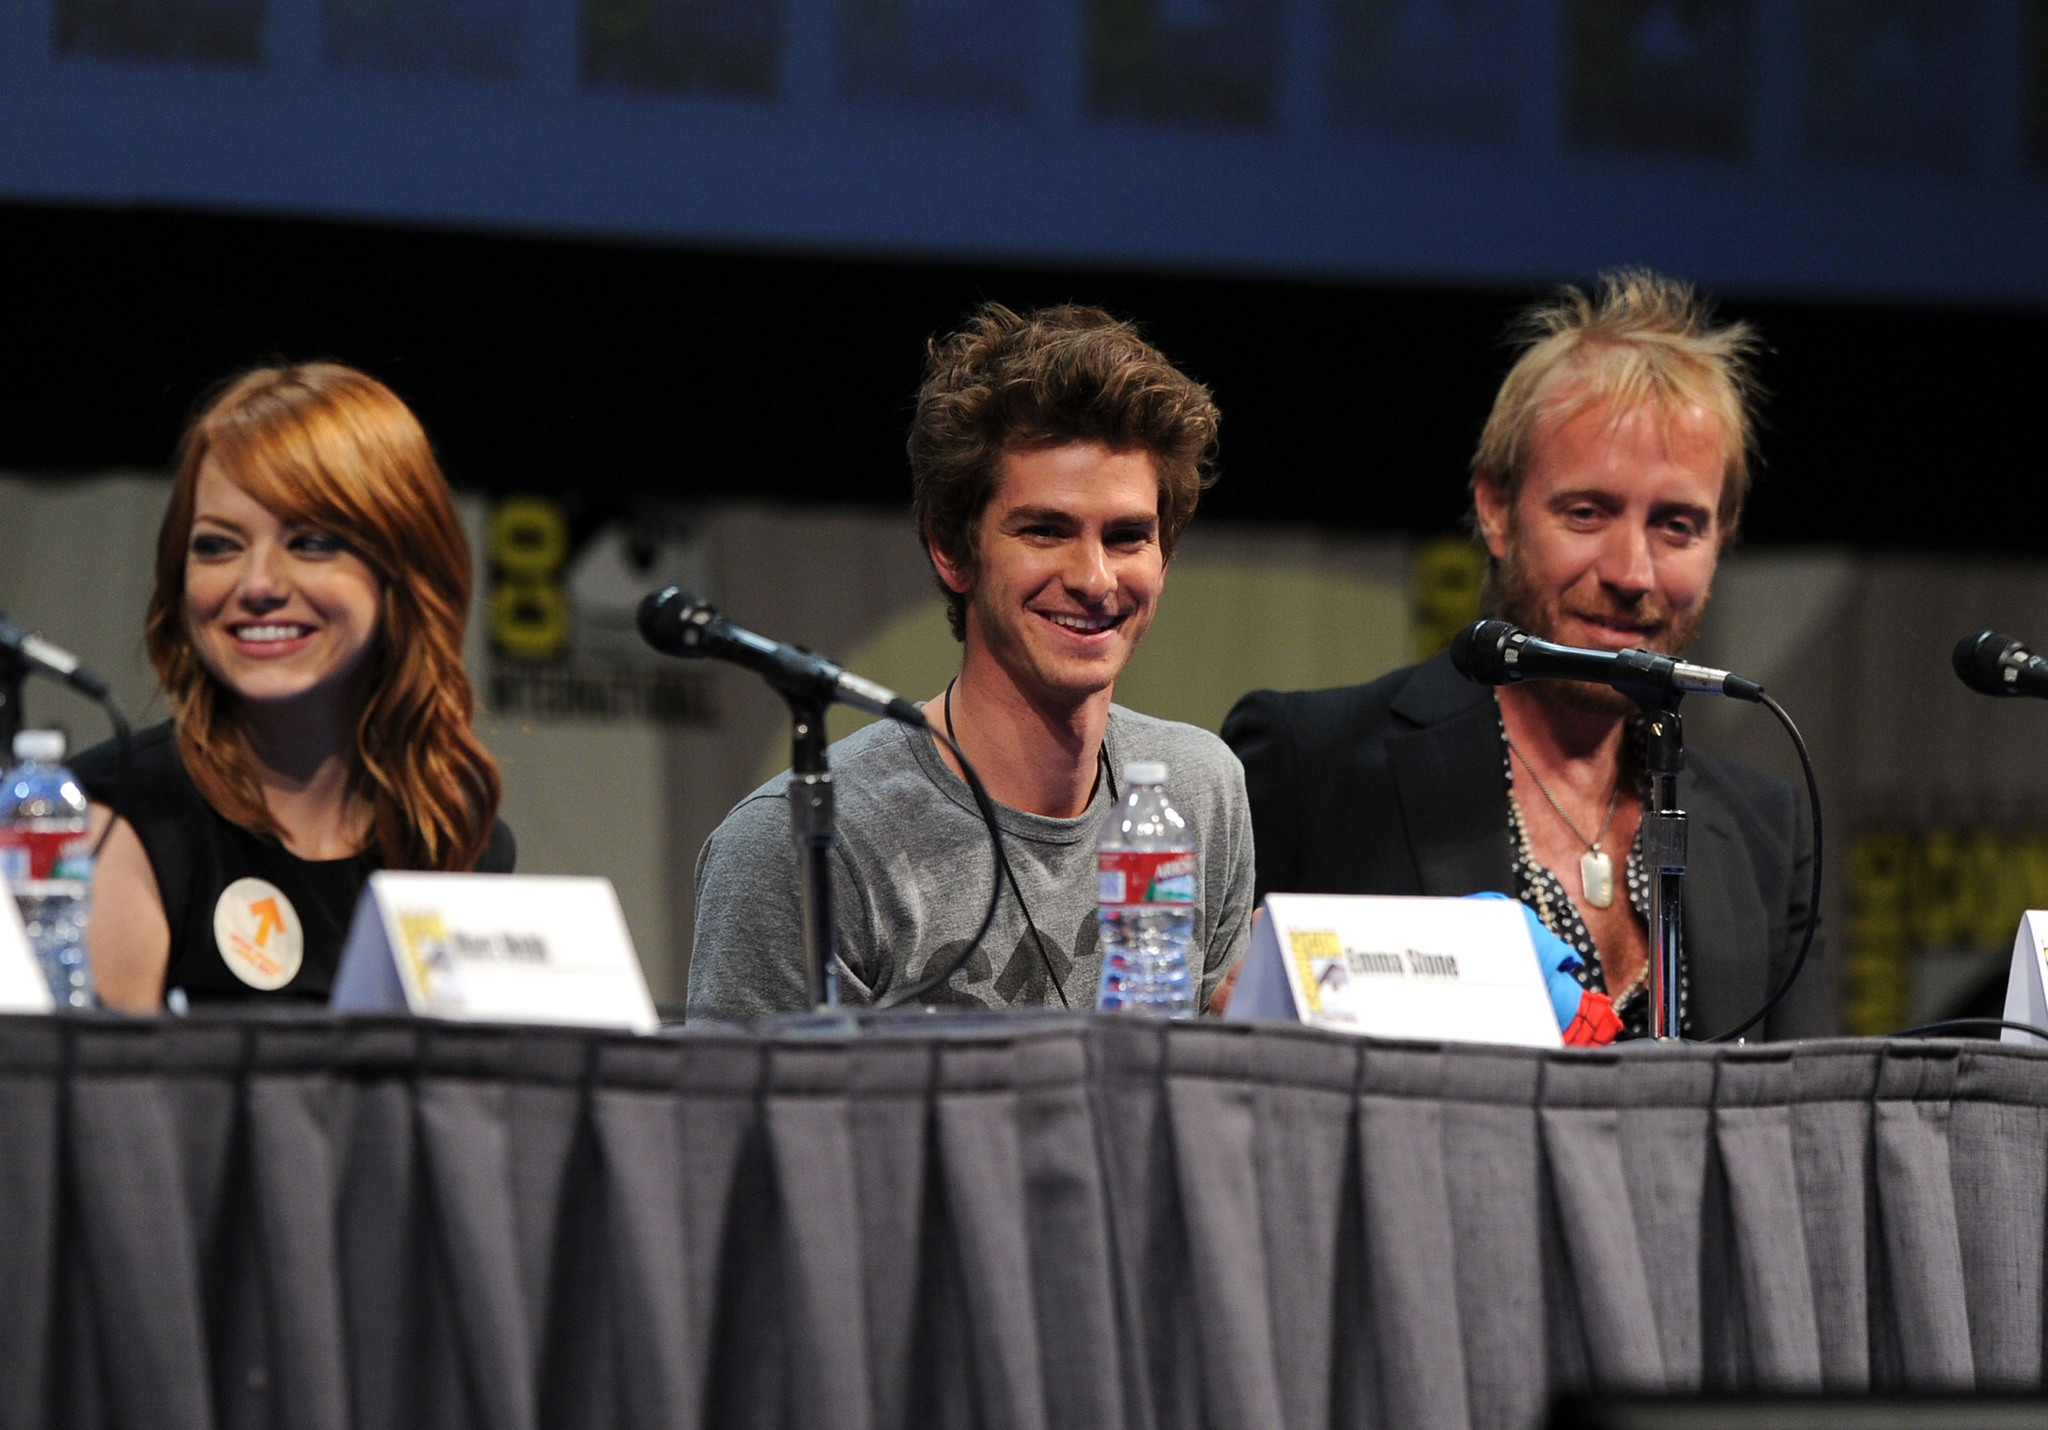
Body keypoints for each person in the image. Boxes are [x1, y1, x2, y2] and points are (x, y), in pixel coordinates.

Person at [1222, 271, 1820, 1039]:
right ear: (1496, 511)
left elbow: (1810, 1122)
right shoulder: (1314, 763)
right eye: (1586, 512)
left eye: (1677, 525)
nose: (1631, 573)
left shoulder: (1769, 830)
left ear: (1721, 540)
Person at [689, 304, 1256, 1020]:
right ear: (952, 550)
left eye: (1127, 536)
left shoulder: (1200, 791)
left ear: (1164, 556)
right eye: (1046, 531)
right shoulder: (794, 845)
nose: (1094, 578)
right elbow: (746, 1127)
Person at [74, 363, 513, 1012]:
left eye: (309, 543)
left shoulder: (456, 837)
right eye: (218, 546)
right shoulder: (115, 821)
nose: (257, 584)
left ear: (404, 567)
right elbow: (108, 1109)